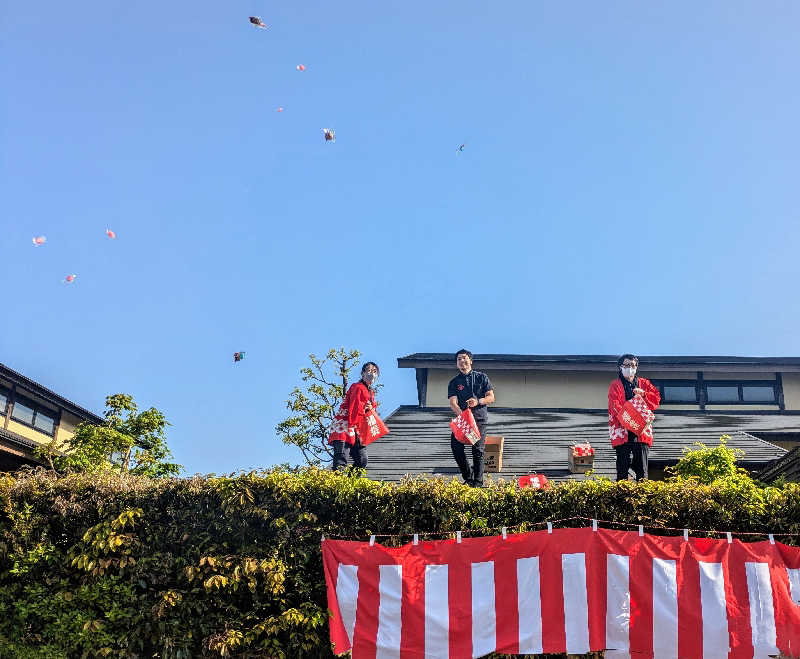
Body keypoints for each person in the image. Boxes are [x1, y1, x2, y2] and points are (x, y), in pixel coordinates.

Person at [608, 354, 660, 481]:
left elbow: (656, 400)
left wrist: (644, 394)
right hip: (622, 428)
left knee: (642, 469)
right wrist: (630, 419)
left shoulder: (644, 383)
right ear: (620, 367)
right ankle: (622, 494)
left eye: (632, 365)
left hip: (641, 431)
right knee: (622, 467)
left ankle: (643, 495)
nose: (629, 368)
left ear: (636, 367)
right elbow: (615, 406)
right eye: (626, 365)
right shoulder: (615, 385)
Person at [448, 349, 495, 487]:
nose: (462, 361)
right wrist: (462, 416)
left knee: (478, 449)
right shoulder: (454, 382)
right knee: (456, 446)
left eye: (464, 358)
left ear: (470, 361)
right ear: (457, 364)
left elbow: (491, 397)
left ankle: (478, 482)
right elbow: (453, 403)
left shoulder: (482, 377)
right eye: (459, 359)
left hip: (479, 419)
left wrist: (478, 401)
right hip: (464, 420)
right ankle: (468, 477)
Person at [328, 362, 380, 471]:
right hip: (344, 426)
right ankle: (337, 485)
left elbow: (370, 411)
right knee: (341, 460)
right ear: (362, 373)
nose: (372, 374)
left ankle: (351, 483)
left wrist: (370, 408)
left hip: (357, 428)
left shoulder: (370, 391)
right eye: (369, 371)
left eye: (375, 372)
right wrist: (366, 409)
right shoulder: (357, 387)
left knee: (362, 460)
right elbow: (355, 408)